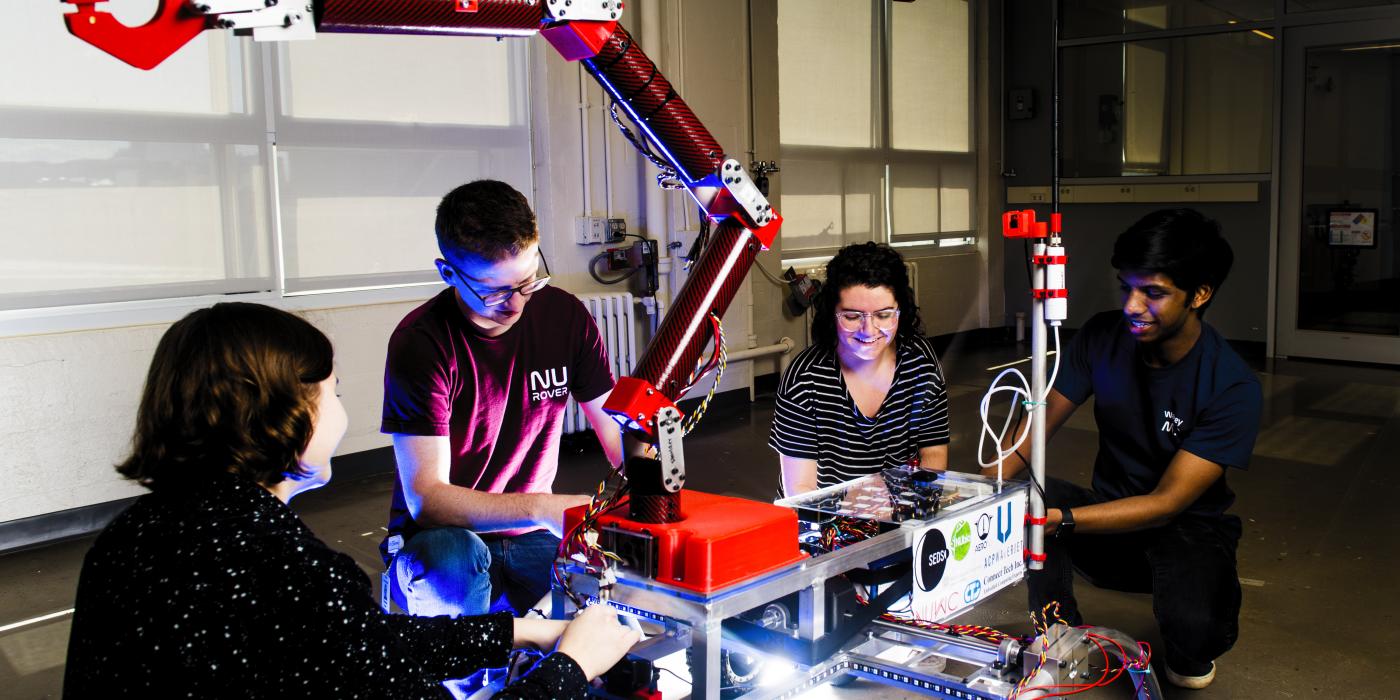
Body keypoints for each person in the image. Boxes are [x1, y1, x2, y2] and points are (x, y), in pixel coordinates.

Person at [63, 302, 639, 699]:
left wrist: (520, 633)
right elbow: (342, 630)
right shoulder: (296, 573)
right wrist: (572, 666)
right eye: (333, 393)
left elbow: (358, 643)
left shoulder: (128, 538)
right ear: (287, 416)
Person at [988, 208, 1262, 690]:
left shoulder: (1231, 386)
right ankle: (1059, 632)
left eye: (1153, 293)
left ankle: (1199, 623)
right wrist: (986, 490)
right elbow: (1037, 428)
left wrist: (1061, 521)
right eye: (1126, 287)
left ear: (1200, 294)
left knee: (1192, 654)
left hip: (1187, 529)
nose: (1133, 306)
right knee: (1026, 496)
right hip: (1108, 516)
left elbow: (1166, 504)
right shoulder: (1101, 336)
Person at [382, 180, 624, 618]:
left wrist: (652, 456)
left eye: (528, 281)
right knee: (451, 567)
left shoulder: (564, 315)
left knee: (607, 603)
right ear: (448, 273)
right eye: (495, 291)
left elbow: (616, 431)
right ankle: (471, 679)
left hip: (533, 532)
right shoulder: (421, 344)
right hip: (445, 538)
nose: (516, 304)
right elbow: (428, 500)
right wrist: (542, 506)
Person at [769, 242, 950, 497]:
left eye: (884, 315)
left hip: (900, 513)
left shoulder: (920, 361)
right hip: (824, 521)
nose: (869, 330)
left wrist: (915, 503)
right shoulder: (804, 380)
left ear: (901, 310)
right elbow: (800, 490)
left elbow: (933, 451)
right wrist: (856, 513)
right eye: (852, 317)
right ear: (832, 312)